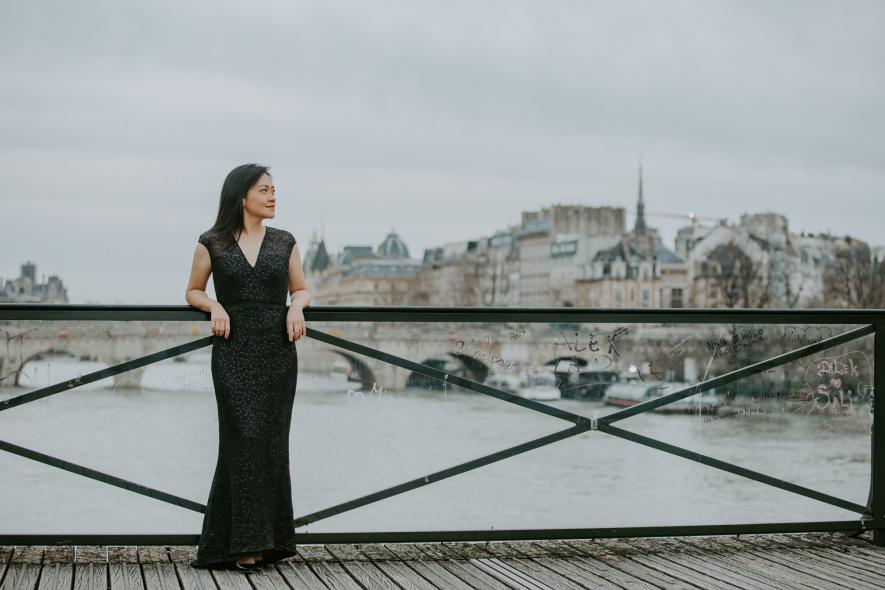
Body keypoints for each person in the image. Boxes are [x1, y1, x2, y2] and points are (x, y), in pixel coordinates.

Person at [184, 163, 310, 573]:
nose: (273, 197)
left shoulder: (285, 241)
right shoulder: (212, 242)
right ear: (241, 196)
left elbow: (301, 289)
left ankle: (263, 543)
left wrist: (296, 307)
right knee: (242, 441)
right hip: (233, 351)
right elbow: (193, 291)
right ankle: (243, 543)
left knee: (271, 445)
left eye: (274, 190)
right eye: (264, 190)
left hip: (277, 352)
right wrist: (215, 306)